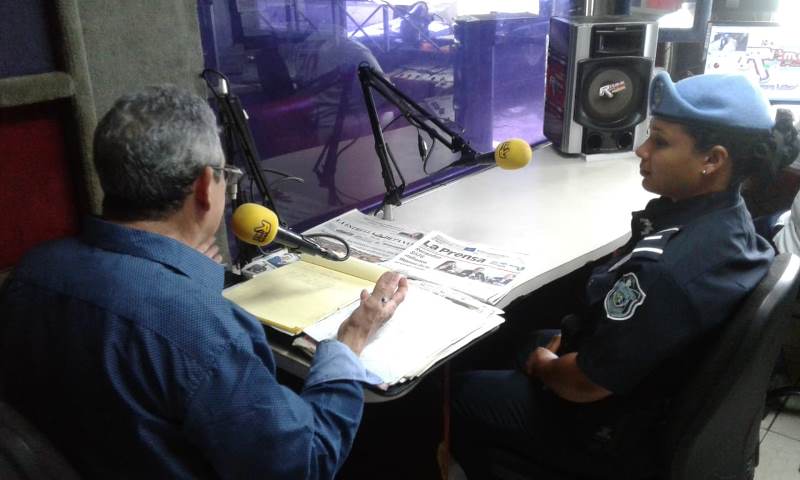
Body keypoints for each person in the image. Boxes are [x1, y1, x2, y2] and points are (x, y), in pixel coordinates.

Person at [0, 85, 408, 479]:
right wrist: (352, 339)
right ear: (203, 187)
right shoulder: (203, 332)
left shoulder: (33, 271)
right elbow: (306, 464)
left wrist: (185, 283)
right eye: (225, 176)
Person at [451, 72, 800, 479]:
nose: (641, 150)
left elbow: (584, 384)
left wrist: (545, 367)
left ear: (712, 160)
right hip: (653, 388)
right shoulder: (732, 220)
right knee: (523, 340)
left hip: (609, 429)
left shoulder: (666, 271)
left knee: (455, 392)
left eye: (660, 142)